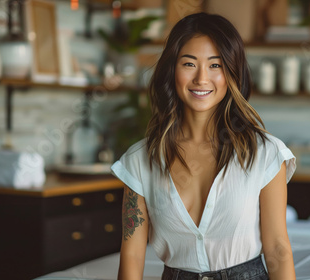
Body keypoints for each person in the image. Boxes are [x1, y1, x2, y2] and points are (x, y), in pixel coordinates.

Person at [111, 12, 297, 280]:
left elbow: (278, 248)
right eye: (189, 64)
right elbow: (132, 254)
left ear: (232, 72)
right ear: (172, 70)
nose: (201, 78)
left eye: (215, 65)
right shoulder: (139, 160)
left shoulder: (266, 153)